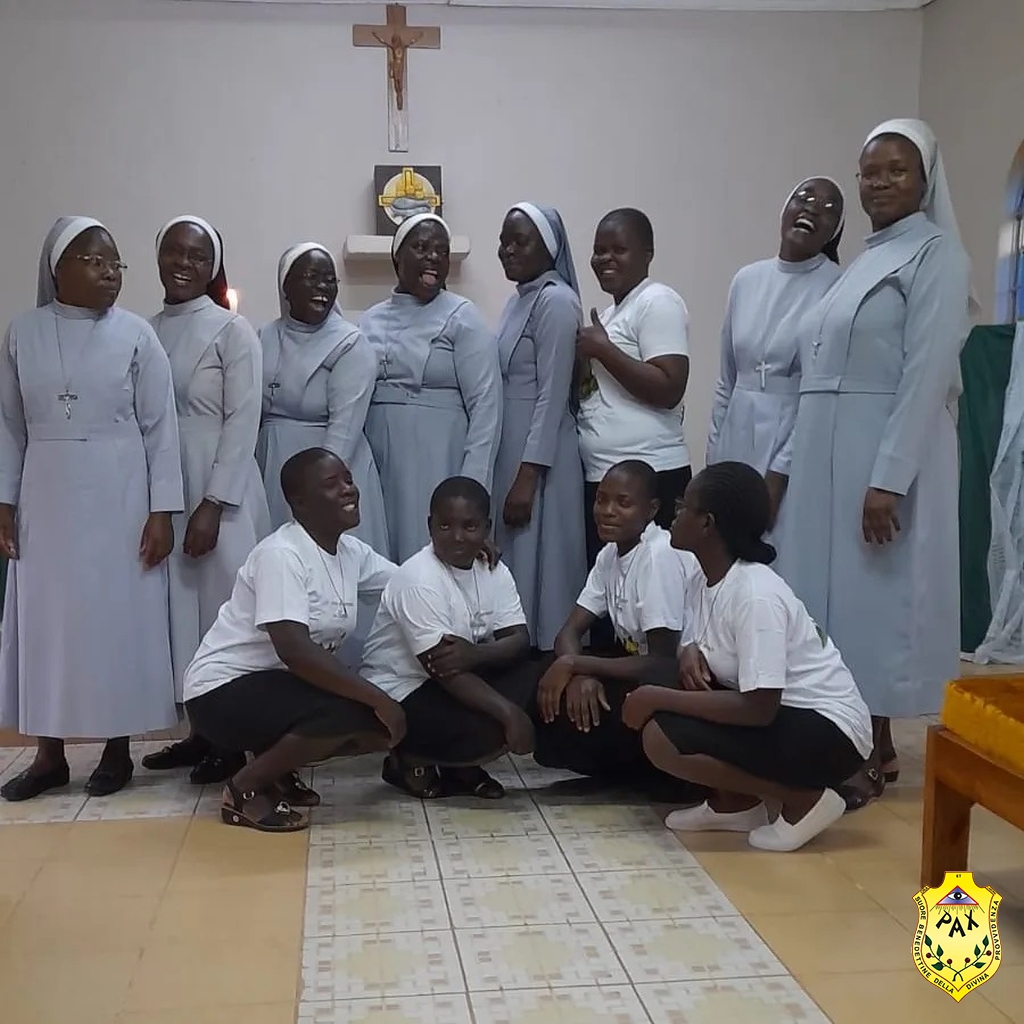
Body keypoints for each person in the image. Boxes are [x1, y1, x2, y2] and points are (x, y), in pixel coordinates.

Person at [774, 118, 973, 808]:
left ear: (925, 180)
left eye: (896, 170)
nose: (880, 182)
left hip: (881, 452)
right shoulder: (864, 258)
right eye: (869, 172)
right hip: (828, 451)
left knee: (873, 601)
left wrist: (889, 477)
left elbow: (926, 374)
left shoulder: (938, 255)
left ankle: (869, 743)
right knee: (826, 601)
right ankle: (848, 735)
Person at [0, 217, 183, 801]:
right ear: (58, 269)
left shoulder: (136, 335)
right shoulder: (23, 333)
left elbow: (161, 428)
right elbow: (8, 426)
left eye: (115, 263)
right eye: (95, 261)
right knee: (47, 623)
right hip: (46, 496)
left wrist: (163, 510)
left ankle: (116, 749)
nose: (110, 273)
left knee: (115, 619)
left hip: (120, 493)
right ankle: (48, 755)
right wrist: (4, 501)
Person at [624, 462, 872, 853]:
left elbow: (759, 708)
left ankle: (805, 801)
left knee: (662, 736)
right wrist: (689, 649)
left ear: (707, 523)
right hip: (782, 714)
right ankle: (735, 807)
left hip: (829, 733)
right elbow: (703, 635)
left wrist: (656, 698)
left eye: (684, 506)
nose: (675, 513)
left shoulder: (756, 595)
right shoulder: (703, 575)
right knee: (669, 678)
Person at [183, 448, 405, 833]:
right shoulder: (281, 555)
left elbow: (409, 584)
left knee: (367, 720)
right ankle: (244, 789)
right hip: (219, 693)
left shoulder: (350, 552)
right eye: (332, 483)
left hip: (273, 686)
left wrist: (453, 559)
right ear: (299, 502)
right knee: (355, 714)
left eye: (348, 479)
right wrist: (379, 699)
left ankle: (277, 774)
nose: (348, 489)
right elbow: (294, 650)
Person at [142, 215, 270, 787]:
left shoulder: (232, 331)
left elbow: (243, 419)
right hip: (166, 483)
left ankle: (233, 739)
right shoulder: (144, 331)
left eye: (197, 255)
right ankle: (199, 731)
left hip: (221, 485)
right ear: (158, 257)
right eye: (174, 252)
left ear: (213, 265)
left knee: (224, 613)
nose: (184, 264)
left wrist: (214, 502)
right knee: (180, 616)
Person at [360, 476, 535, 800]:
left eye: (470, 527)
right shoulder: (418, 578)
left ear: (487, 528)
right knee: (493, 722)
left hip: (459, 674)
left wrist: (476, 654)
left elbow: (519, 638)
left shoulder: (493, 568)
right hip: (404, 689)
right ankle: (410, 759)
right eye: (445, 526)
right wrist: (509, 713)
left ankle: (458, 768)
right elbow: (446, 670)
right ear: (429, 526)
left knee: (540, 673)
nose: (457, 537)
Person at [534, 460, 703, 796]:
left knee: (585, 702)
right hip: (640, 667)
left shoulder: (658, 556)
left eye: (623, 503)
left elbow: (662, 662)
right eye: (601, 499)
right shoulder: (610, 554)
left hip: (681, 680)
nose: (607, 511)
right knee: (545, 679)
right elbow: (569, 632)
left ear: (651, 509)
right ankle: (628, 766)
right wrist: (579, 674)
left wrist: (575, 663)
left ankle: (664, 773)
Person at [360, 214, 502, 563]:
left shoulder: (463, 316)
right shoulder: (370, 319)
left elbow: (486, 406)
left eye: (442, 251)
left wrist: (474, 490)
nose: (434, 257)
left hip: (438, 455)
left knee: (428, 554)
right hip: (378, 456)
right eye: (422, 247)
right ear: (397, 256)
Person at [706, 178, 845, 524]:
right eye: (804, 197)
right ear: (785, 209)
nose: (812, 208)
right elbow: (727, 380)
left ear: (834, 232)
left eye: (829, 208)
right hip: (736, 432)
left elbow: (819, 397)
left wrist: (780, 472)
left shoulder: (838, 286)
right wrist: (713, 456)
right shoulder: (746, 279)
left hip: (791, 440)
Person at [492, 203, 586, 651]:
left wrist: (527, 476)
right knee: (519, 559)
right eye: (503, 241)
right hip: (514, 446)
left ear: (549, 248)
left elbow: (552, 396)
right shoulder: (519, 300)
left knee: (543, 561)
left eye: (520, 241)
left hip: (541, 456)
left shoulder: (556, 301)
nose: (508, 250)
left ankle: (548, 656)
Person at [576, 207, 691, 562]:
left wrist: (604, 351)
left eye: (618, 249)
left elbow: (670, 387)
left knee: (653, 586)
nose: (605, 258)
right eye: (599, 250)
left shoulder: (657, 301)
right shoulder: (609, 315)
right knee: (609, 587)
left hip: (650, 475)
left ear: (647, 254)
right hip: (605, 475)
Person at [257, 243, 388, 554]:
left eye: (330, 280)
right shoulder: (263, 336)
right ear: (286, 285)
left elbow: (345, 426)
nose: (322, 287)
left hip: (330, 467)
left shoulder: (350, 343)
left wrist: (320, 488)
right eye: (312, 277)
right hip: (273, 463)